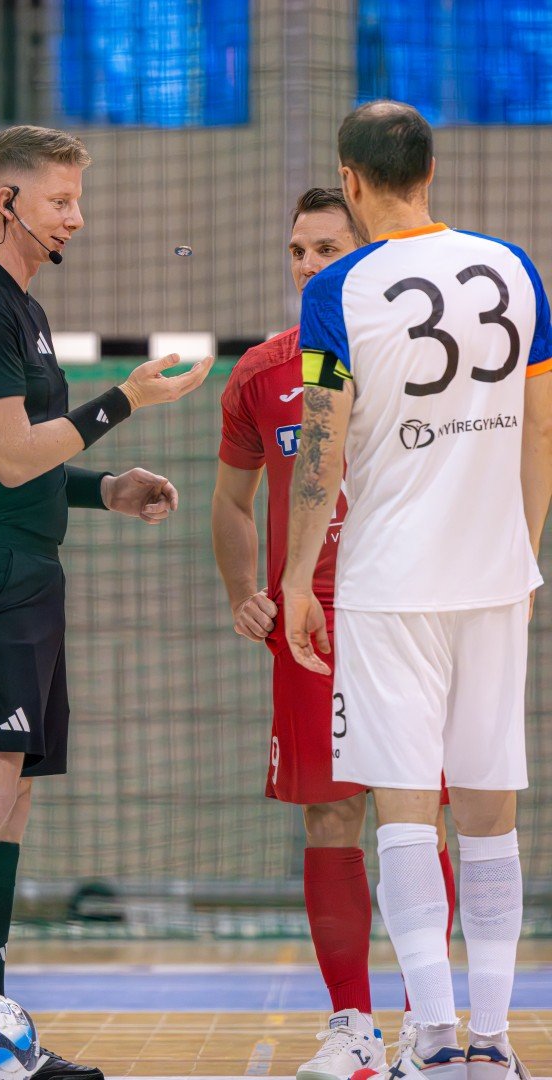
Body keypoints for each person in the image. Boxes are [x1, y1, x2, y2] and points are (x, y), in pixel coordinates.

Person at [0, 125, 213, 1080]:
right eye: (60, 199)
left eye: (77, 197)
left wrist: (105, 487)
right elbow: (11, 455)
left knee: (12, 796)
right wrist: (124, 403)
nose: (77, 215)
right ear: (6, 202)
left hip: (19, 563)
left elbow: (21, 466)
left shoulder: (20, 308)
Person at [283, 101, 552, 1079]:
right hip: (494, 580)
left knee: (405, 811)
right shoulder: (516, 271)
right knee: (490, 814)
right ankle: (495, 1042)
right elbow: (541, 429)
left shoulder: (340, 290)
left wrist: (293, 572)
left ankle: (432, 1039)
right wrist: (521, 558)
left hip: (390, 581)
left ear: (350, 182)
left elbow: (320, 441)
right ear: (430, 169)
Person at [213, 187, 455, 1080]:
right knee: (330, 815)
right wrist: (248, 587)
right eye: (297, 250)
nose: (308, 265)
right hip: (309, 622)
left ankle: (425, 1023)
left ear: (367, 253)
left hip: (405, 611)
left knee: (417, 816)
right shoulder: (263, 372)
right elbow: (231, 501)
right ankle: (352, 1026)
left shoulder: (421, 358)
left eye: (325, 248)